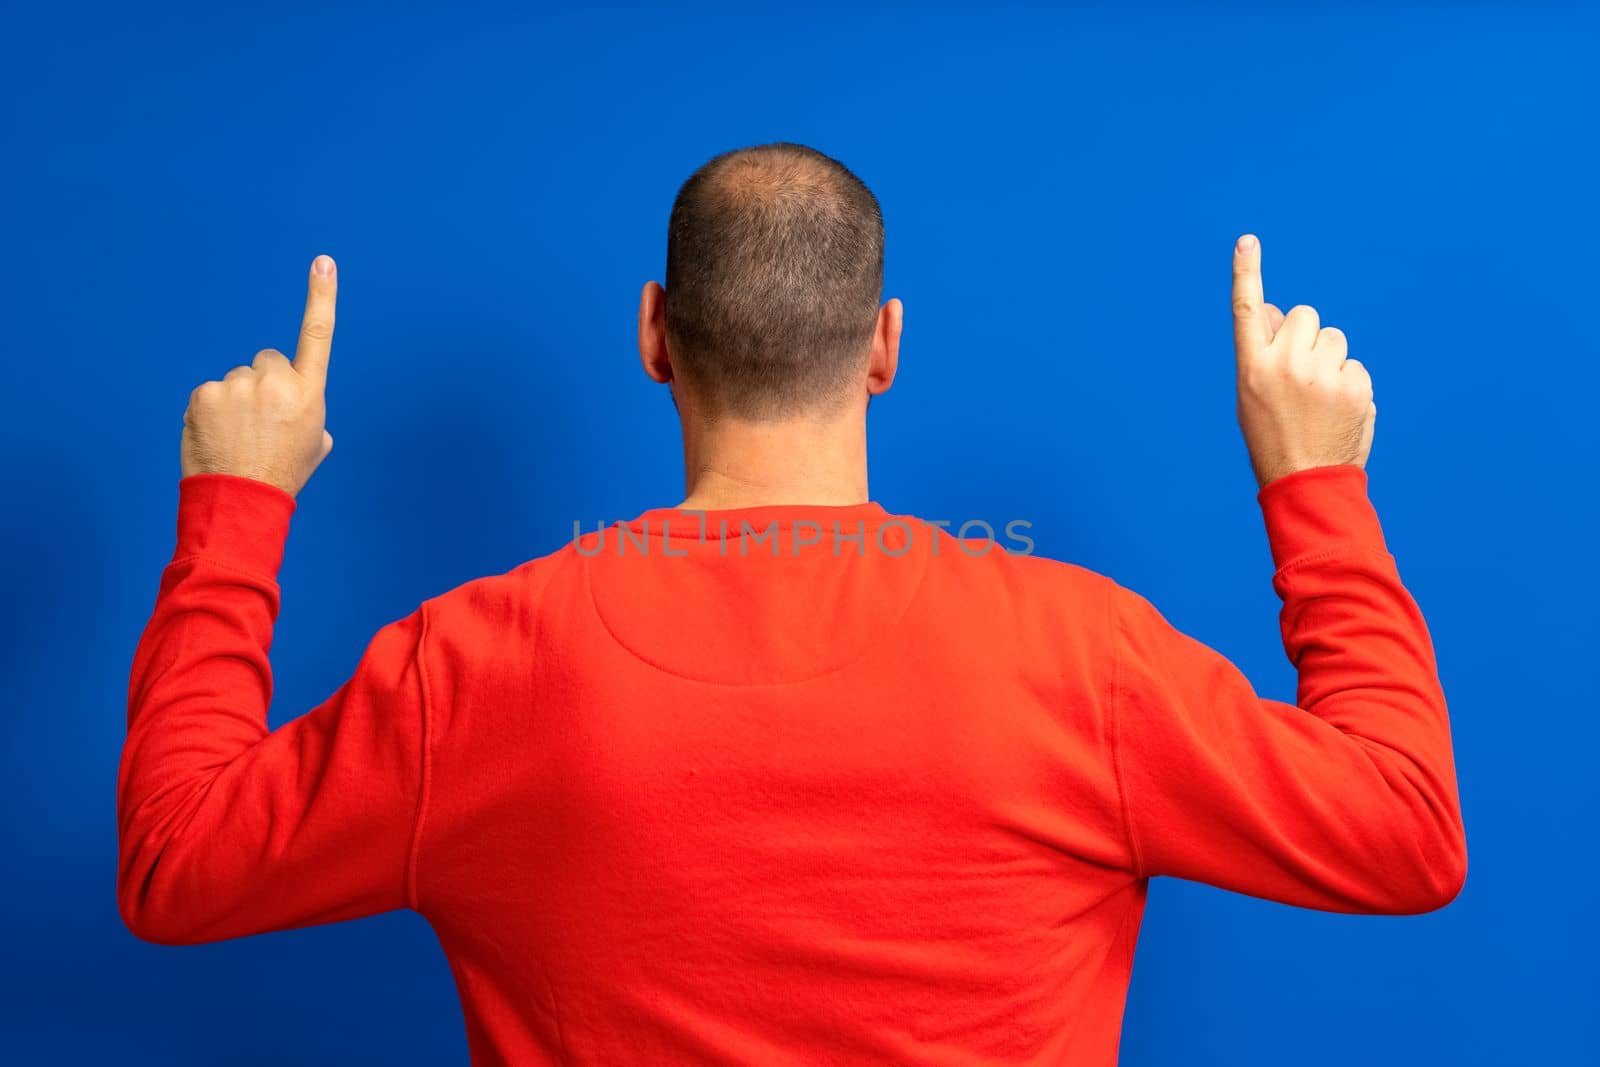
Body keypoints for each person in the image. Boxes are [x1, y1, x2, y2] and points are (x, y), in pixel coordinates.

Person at [118, 142, 1465, 1065]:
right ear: (887, 345)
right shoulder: (1079, 655)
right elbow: (1406, 837)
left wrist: (237, 505)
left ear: (654, 335)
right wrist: (1315, 483)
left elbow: (174, 865)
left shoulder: (471, 668)